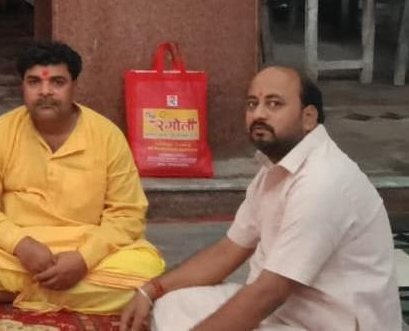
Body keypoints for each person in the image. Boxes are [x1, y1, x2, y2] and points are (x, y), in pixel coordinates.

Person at [119, 66, 401, 331]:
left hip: (326, 325)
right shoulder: (274, 170)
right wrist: (151, 290)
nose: (259, 114)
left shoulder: (323, 181)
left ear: (308, 117)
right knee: (173, 301)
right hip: (284, 315)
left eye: (274, 104)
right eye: (252, 104)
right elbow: (228, 251)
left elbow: (270, 292)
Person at [0, 40, 165, 314]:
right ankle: (66, 293)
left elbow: (128, 214)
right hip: (20, 251)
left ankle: (18, 293)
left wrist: (84, 259)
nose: (45, 91)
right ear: (22, 86)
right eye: (34, 82)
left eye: (57, 82)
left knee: (147, 268)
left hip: (86, 246)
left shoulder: (107, 135)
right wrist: (20, 244)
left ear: (74, 86)